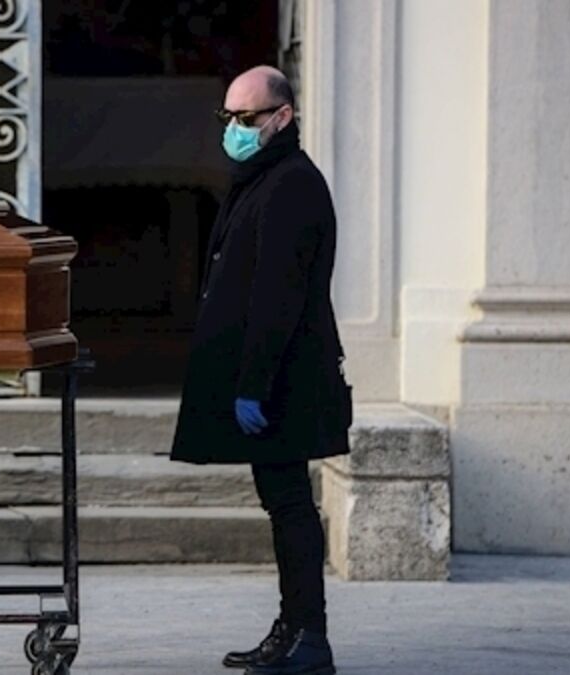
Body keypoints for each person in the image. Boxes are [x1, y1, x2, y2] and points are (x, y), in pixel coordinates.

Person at [169, 65, 352, 675]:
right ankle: (293, 629)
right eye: (228, 118)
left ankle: (309, 639)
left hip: (284, 380)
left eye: (247, 118)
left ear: (283, 116)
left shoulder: (292, 183)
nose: (235, 129)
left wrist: (253, 386)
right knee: (283, 502)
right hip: (272, 377)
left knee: (291, 505)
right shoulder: (264, 176)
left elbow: (280, 295)